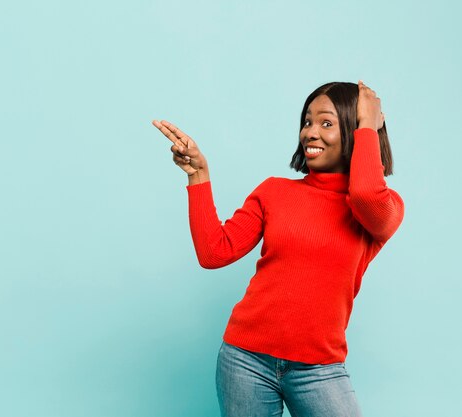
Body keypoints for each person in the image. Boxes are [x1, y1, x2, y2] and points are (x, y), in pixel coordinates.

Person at [151, 80, 404, 417]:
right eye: (308, 121)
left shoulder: (381, 209)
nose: (310, 132)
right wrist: (199, 175)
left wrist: (369, 124)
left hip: (319, 370)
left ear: (355, 129)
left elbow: (364, 194)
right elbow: (214, 252)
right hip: (245, 360)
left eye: (326, 123)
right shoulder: (275, 192)